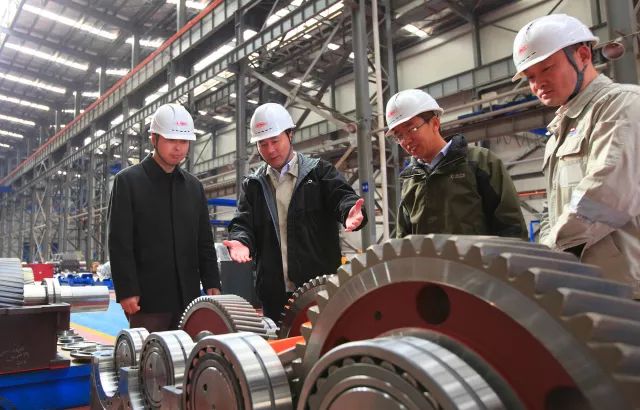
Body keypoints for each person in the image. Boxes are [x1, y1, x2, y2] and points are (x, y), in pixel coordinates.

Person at [513, 14, 640, 296]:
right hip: (583, 286)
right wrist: (545, 255)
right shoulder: (559, 132)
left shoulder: (622, 106)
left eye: (547, 68)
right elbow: (552, 207)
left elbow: (605, 197)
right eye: (530, 77)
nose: (538, 84)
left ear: (583, 55)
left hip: (627, 289)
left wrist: (547, 254)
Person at [223, 103, 367, 320]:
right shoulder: (253, 185)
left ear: (290, 135)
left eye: (275, 141)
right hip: (273, 294)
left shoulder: (319, 173)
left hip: (318, 289)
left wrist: (349, 211)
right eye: (262, 144)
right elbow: (243, 222)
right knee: (280, 341)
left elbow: (342, 197)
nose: (270, 150)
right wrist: (240, 240)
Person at [108, 103, 221, 332]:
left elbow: (204, 241)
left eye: (184, 141)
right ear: (154, 138)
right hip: (148, 301)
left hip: (188, 299)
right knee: (151, 353)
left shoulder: (194, 187)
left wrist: (212, 281)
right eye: (171, 140)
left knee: (189, 352)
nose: (178, 148)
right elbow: (120, 241)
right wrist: (127, 289)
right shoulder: (128, 182)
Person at [385, 89, 527, 239]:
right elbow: (404, 240)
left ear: (435, 123)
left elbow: (512, 228)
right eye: (399, 136)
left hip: (478, 255)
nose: (406, 141)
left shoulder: (480, 162)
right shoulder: (410, 180)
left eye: (411, 129)